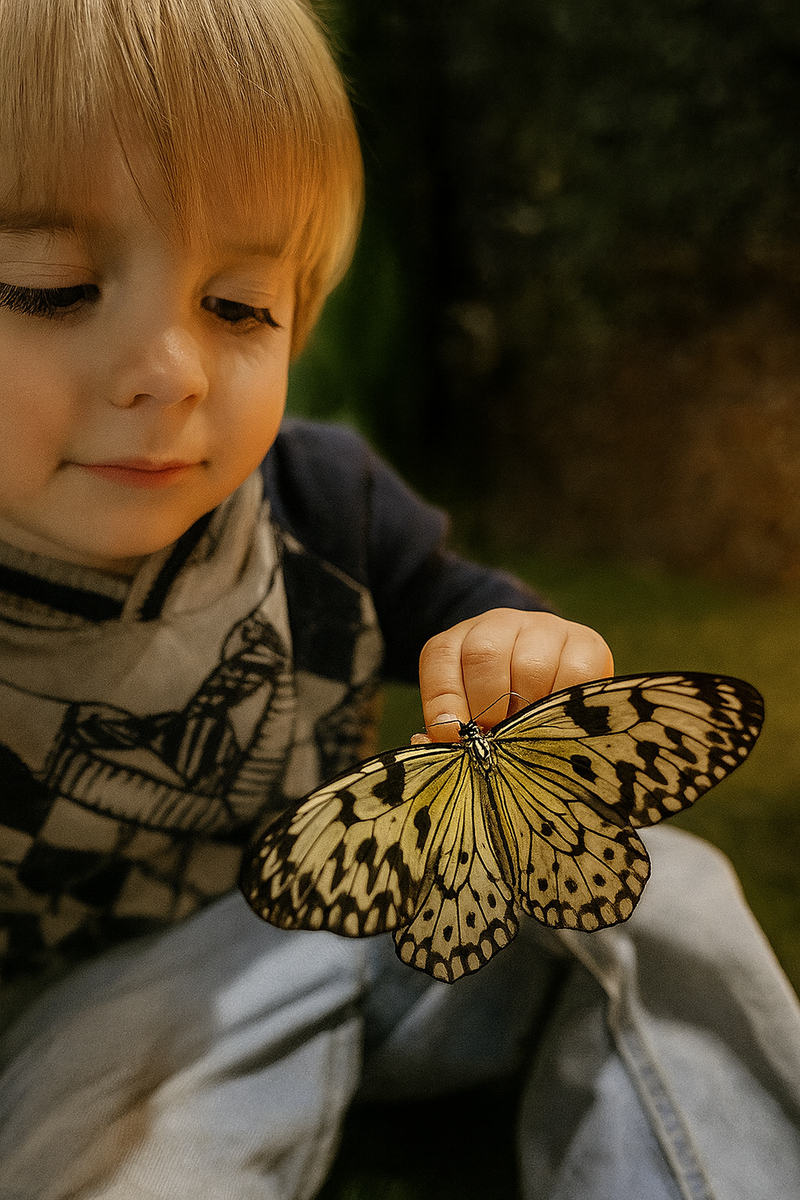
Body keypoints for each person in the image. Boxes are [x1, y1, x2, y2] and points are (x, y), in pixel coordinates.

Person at [0, 2, 797, 1197]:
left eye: (237, 307)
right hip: (109, 1006)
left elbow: (476, 615)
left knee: (662, 892)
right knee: (135, 1159)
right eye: (56, 289)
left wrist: (520, 646)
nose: (170, 371)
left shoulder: (322, 500)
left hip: (384, 907)